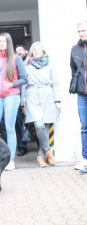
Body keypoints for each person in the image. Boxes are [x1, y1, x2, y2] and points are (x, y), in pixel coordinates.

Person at [0, 33, 28, 171]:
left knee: (10, 129)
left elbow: (24, 78)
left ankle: (10, 160)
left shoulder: (16, 59)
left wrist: (11, 84)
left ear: (9, 43)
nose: (2, 43)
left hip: (12, 96)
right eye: (0, 41)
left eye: (4, 41)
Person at [23, 42, 61, 167]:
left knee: (45, 126)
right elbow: (23, 84)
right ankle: (48, 150)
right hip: (32, 95)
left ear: (43, 51)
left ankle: (40, 156)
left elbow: (55, 83)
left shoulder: (50, 66)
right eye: (34, 49)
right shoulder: (27, 67)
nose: (36, 51)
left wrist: (57, 100)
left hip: (47, 95)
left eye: (39, 49)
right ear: (31, 52)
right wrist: (22, 101)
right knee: (38, 125)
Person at [0, 44, 28, 156]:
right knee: (4, 124)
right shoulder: (10, 63)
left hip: (19, 97)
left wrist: (23, 102)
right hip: (5, 97)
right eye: (16, 51)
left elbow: (24, 82)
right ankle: (6, 148)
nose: (18, 52)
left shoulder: (28, 64)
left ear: (26, 51)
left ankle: (22, 147)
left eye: (21, 50)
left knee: (18, 124)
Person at [70, 20, 87, 171]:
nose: (82, 33)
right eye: (79, 31)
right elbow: (73, 70)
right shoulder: (75, 49)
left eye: (84, 30)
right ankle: (85, 158)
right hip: (82, 94)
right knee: (84, 127)